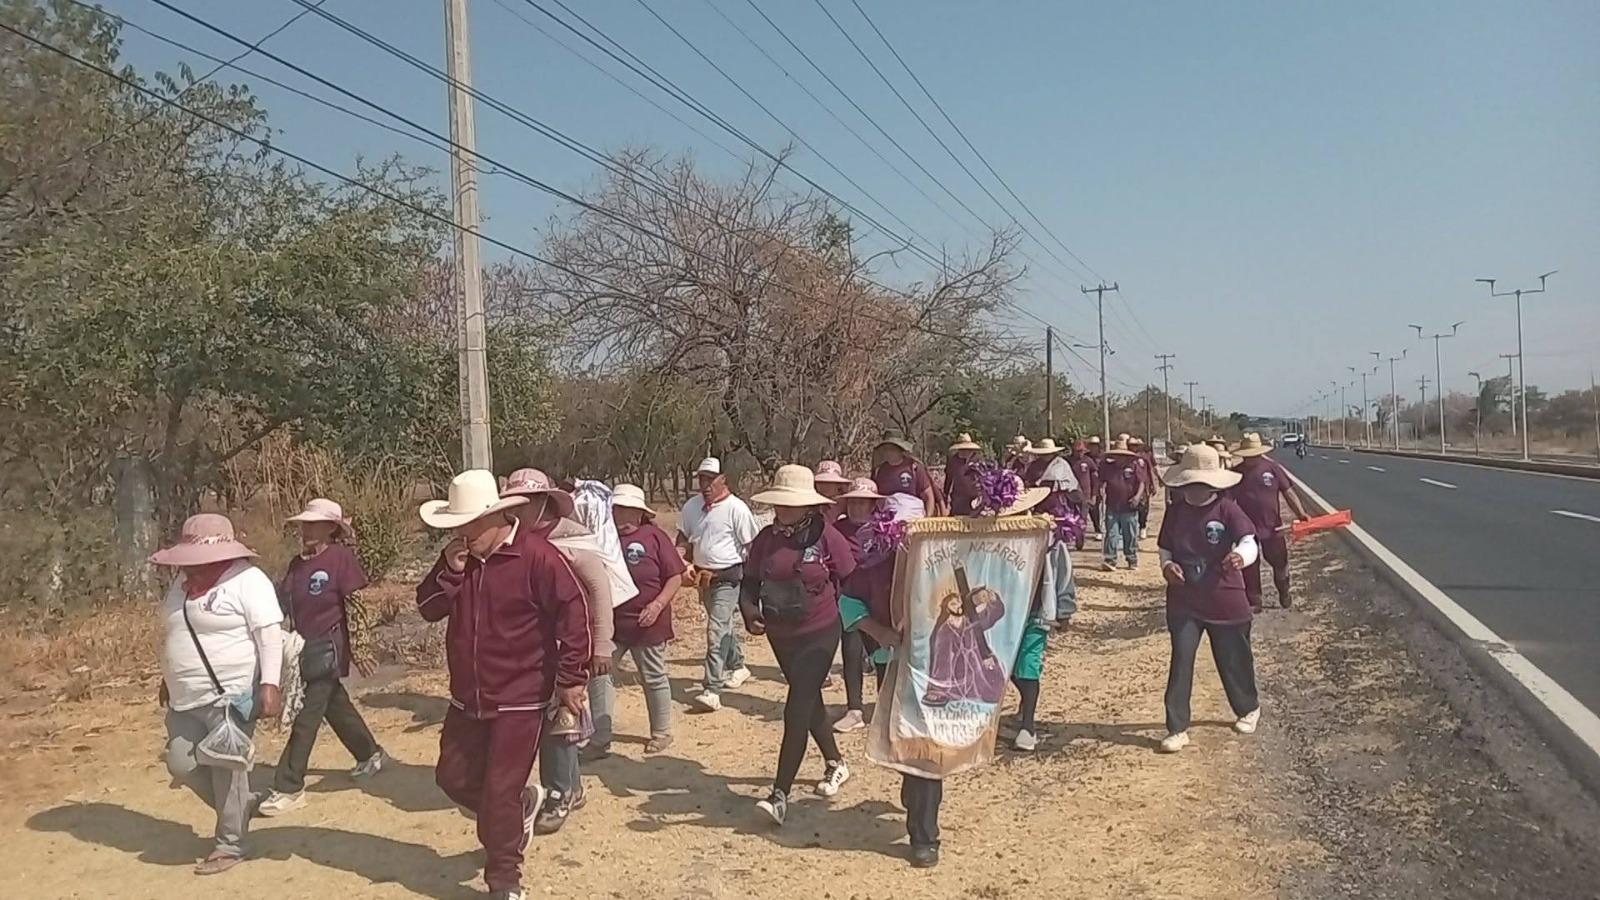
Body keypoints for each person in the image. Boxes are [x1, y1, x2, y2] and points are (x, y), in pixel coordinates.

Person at [417, 470, 591, 900]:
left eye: (469, 524)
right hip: (466, 696)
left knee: (498, 791)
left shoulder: (537, 557)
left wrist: (571, 679)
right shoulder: (458, 559)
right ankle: (513, 815)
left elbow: (574, 615)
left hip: (521, 695)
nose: (462, 533)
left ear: (497, 518)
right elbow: (428, 608)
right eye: (457, 524)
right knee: (452, 777)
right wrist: (449, 571)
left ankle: (505, 882)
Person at [500, 468, 631, 835]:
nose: (517, 509)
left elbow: (600, 591)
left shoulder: (571, 540)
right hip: (533, 646)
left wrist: (602, 644)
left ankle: (558, 793)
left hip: (570, 644)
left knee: (558, 718)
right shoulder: (515, 540)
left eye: (523, 502)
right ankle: (572, 786)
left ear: (542, 502)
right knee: (557, 718)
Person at [154, 514, 284, 876]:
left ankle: (231, 843)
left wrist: (269, 685)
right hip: (185, 696)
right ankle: (240, 808)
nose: (189, 569)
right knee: (181, 762)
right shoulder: (180, 585)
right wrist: (168, 676)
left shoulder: (248, 581)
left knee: (226, 770)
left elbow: (269, 636)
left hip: (232, 695)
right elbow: (174, 632)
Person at [739, 464, 858, 825]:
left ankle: (779, 795)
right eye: (781, 503)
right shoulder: (765, 539)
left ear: (808, 506)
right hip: (781, 635)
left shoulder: (827, 536)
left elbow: (850, 577)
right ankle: (836, 763)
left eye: (792, 504)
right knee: (809, 703)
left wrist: (859, 624)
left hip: (821, 631)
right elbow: (749, 581)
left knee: (795, 709)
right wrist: (748, 611)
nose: (784, 509)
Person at [258, 499, 386, 818]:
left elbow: (356, 608)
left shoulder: (341, 559)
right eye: (305, 525)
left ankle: (289, 785)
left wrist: (361, 649)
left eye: (314, 525)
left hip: (329, 649)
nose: (307, 531)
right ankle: (370, 753)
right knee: (334, 706)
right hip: (304, 649)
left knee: (306, 717)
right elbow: (284, 607)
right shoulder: (296, 566)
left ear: (331, 528)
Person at [1155, 445, 1262, 755]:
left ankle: (1248, 707)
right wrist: (1166, 566)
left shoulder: (1227, 509)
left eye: (1202, 483)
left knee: (1233, 659)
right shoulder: (1175, 511)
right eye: (1192, 482)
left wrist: (1241, 557)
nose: (1197, 488)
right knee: (1182, 660)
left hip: (1224, 596)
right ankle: (1176, 728)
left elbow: (1248, 541)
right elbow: (1165, 548)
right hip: (1184, 598)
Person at [601, 484, 684, 751]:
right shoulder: (604, 538)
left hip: (648, 620)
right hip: (612, 622)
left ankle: (661, 732)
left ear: (639, 513)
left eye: (627, 511)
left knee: (653, 675)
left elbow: (675, 576)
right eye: (617, 510)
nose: (621, 517)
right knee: (601, 675)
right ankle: (600, 737)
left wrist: (658, 605)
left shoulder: (654, 537)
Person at [677, 457, 758, 712]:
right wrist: (682, 562)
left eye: (711, 478)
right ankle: (738, 665)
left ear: (723, 479)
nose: (705, 484)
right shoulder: (692, 507)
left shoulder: (737, 508)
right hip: (702, 578)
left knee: (715, 630)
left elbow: (750, 546)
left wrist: (753, 584)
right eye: (702, 478)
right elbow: (683, 539)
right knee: (722, 627)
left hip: (728, 578)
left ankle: (711, 688)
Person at [1229, 434, 1311, 610]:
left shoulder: (1272, 468)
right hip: (1246, 529)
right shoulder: (1236, 474)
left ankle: (1284, 591)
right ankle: (1254, 601)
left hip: (1273, 526)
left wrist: (1301, 513)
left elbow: (1288, 492)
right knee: (1250, 565)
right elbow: (1227, 503)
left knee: (1280, 562)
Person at [831, 478, 885, 733]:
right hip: (850, 599)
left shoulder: (886, 528)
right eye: (852, 501)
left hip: (880, 600)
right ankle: (854, 709)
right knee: (851, 653)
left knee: (884, 651)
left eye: (862, 502)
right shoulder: (836, 530)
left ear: (873, 505)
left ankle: (885, 708)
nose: (856, 507)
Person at [1099, 439, 1146, 570]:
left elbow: (1142, 482)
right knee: (1111, 533)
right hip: (1112, 506)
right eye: (1117, 455)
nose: (1119, 458)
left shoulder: (1134, 466)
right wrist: (1099, 491)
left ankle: (1132, 559)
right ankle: (1110, 559)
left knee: (1129, 534)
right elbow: (1101, 481)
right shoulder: (1107, 468)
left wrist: (1137, 497)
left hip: (1129, 507)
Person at [872, 434, 938, 516]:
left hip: (913, 516)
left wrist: (928, 519)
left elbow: (928, 495)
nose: (888, 453)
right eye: (886, 450)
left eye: (892, 449)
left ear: (900, 450)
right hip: (887, 519)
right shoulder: (879, 471)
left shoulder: (914, 468)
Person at [944, 433, 984, 515]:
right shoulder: (953, 461)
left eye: (967, 449)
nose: (964, 452)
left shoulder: (979, 460)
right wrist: (945, 496)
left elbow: (985, 479)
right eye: (962, 449)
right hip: (958, 499)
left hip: (975, 499)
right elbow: (948, 479)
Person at [1069, 440, 1101, 541]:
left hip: (1085, 495)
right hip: (1071, 495)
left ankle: (1080, 538)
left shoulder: (1088, 461)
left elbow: (1095, 479)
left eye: (1081, 451)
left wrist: (1094, 495)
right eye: (1077, 451)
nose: (1079, 453)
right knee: (1071, 516)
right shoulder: (1068, 461)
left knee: (1083, 517)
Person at [1129, 437, 1157, 540]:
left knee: (1143, 508)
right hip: (1130, 487)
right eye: (1131, 445)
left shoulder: (1144, 457)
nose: (1133, 447)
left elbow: (1150, 470)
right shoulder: (1126, 457)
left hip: (1144, 486)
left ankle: (1142, 527)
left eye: (1135, 445)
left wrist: (1154, 484)